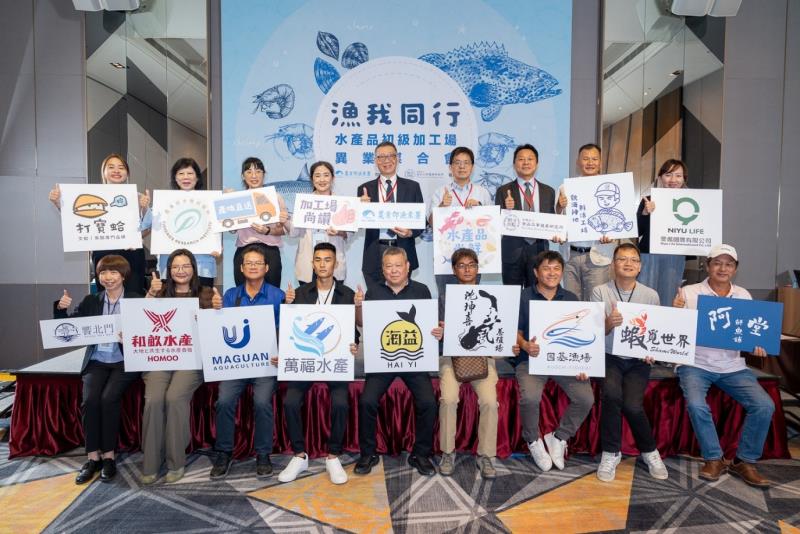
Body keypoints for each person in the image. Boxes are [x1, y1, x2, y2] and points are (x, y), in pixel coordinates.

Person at [673, 244, 774, 487]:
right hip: (695, 363)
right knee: (696, 405)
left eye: (729, 264)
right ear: (707, 265)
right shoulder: (689, 292)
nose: (722, 268)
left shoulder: (743, 295)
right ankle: (713, 458)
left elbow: (748, 333)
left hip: (732, 366)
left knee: (764, 405)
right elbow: (675, 331)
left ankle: (744, 460)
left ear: (735, 269)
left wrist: (756, 345)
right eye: (717, 262)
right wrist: (675, 313)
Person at [354, 247, 443, 476]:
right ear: (382, 269)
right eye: (388, 266)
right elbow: (362, 324)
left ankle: (420, 454)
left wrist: (437, 331)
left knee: (428, 402)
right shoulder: (374, 291)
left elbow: (430, 325)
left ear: (407, 266)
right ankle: (368, 453)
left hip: (414, 360)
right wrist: (359, 306)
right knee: (367, 401)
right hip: (384, 360)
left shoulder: (421, 290)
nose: (393, 270)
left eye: (398, 265)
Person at [209, 244, 295, 479]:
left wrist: (289, 310)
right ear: (241, 268)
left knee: (262, 401)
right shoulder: (230, 295)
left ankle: (263, 453)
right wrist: (215, 311)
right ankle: (224, 452)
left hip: (266, 363)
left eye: (258, 263)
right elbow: (219, 331)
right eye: (249, 263)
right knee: (224, 400)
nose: (253, 266)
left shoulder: (278, 296)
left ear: (266, 268)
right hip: (236, 363)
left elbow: (287, 331)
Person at [277, 242, 360, 484]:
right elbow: (291, 331)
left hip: (334, 361)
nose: (323, 264)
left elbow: (352, 332)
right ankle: (299, 455)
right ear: (312, 264)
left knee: (341, 403)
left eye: (327, 260)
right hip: (307, 361)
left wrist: (353, 345)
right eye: (318, 260)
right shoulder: (300, 293)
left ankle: (333, 455)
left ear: (336, 263)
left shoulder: (347, 295)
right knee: (291, 401)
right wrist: (287, 306)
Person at [54, 255, 141, 484]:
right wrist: (61, 309)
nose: (108, 277)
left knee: (108, 399)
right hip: (96, 360)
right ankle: (93, 458)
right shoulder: (91, 300)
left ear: (123, 275)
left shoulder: (136, 299)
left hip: (124, 361)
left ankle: (109, 457)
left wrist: (131, 336)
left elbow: (148, 331)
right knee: (90, 401)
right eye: (103, 272)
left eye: (113, 272)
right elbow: (70, 328)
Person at [140, 249, 220, 484]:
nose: (181, 271)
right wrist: (150, 295)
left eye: (186, 266)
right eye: (175, 267)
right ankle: (150, 463)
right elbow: (140, 319)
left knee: (175, 397)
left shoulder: (206, 294)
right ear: (169, 270)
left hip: (191, 359)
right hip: (159, 358)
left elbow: (215, 331)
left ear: (194, 268)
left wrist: (216, 310)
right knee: (154, 399)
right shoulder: (158, 291)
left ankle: (176, 462)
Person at [591, 243, 668, 482]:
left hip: (637, 360)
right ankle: (610, 453)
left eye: (633, 260)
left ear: (640, 266)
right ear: (613, 264)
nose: (628, 263)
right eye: (622, 259)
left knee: (633, 405)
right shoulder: (600, 291)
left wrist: (652, 352)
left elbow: (655, 332)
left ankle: (650, 451)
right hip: (608, 356)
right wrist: (608, 323)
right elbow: (593, 333)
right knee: (612, 396)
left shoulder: (651, 295)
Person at [515, 251, 594, 471]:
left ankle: (559, 437)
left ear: (562, 272)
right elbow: (514, 332)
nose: (552, 273)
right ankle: (533, 441)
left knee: (586, 398)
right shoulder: (523, 297)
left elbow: (581, 336)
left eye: (557, 268)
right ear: (536, 272)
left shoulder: (571, 299)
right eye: (546, 268)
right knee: (530, 398)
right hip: (531, 360)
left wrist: (584, 365)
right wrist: (525, 345)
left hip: (563, 361)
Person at [48, 153, 151, 294]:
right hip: (103, 253)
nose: (116, 171)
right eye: (111, 167)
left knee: (134, 295)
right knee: (106, 296)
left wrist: (144, 211)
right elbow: (75, 219)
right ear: (104, 172)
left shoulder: (137, 197)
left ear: (127, 173)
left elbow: (147, 228)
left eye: (121, 167)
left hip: (131, 253)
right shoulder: (91, 194)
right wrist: (58, 202)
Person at [437, 248, 500, 479]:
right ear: (454, 270)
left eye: (471, 265)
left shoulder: (491, 297)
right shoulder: (445, 298)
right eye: (461, 266)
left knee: (490, 402)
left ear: (477, 269)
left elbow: (498, 330)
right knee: (448, 399)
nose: (467, 269)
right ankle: (447, 452)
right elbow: (437, 332)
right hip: (451, 357)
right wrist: (440, 332)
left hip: (483, 357)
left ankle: (486, 456)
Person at [357, 141, 424, 287]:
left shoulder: (412, 187)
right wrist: (360, 209)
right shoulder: (365, 189)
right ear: (376, 161)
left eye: (390, 156)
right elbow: (358, 224)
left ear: (397, 158)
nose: (386, 160)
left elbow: (421, 222)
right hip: (375, 252)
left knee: (401, 296)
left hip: (403, 250)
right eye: (381, 157)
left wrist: (410, 232)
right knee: (376, 297)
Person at [428, 147, 492, 296]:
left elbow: (491, 224)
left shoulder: (482, 193)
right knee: (445, 298)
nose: (462, 167)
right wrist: (442, 206)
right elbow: (431, 223)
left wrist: (480, 208)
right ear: (450, 167)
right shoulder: (440, 192)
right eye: (457, 163)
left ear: (472, 167)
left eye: (466, 163)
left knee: (471, 300)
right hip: (446, 258)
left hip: (474, 258)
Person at [557, 144, 615, 300]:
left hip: (598, 255)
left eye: (594, 159)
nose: (590, 163)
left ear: (600, 162)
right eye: (585, 159)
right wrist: (559, 207)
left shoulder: (611, 186)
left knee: (596, 303)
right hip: (570, 256)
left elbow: (618, 220)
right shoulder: (565, 187)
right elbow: (558, 219)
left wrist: (612, 235)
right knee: (572, 302)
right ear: (578, 162)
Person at [495, 144, 557, 287]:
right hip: (512, 253)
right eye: (521, 159)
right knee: (512, 295)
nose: (526, 163)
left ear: (537, 163)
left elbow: (552, 220)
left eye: (530, 159)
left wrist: (557, 233)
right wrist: (506, 211)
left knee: (537, 294)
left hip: (539, 252)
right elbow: (497, 224)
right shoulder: (503, 191)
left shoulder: (548, 191)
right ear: (514, 164)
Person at [156, 158, 219, 287]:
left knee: (203, 299)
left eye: (190, 173)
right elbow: (150, 225)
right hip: (171, 266)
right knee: (172, 300)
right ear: (175, 178)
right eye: (181, 173)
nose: (186, 177)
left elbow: (219, 226)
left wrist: (217, 245)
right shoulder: (164, 201)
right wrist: (144, 207)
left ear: (197, 177)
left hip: (202, 265)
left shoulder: (210, 201)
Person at [232, 157, 292, 288]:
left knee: (272, 292)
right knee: (242, 293)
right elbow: (232, 230)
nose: (254, 176)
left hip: (270, 251)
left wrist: (268, 231)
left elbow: (283, 230)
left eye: (258, 171)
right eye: (249, 172)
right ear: (243, 176)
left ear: (264, 174)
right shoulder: (237, 199)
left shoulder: (275, 197)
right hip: (244, 250)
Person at [637, 159, 688, 307]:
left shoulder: (690, 202)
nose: (673, 180)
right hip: (649, 255)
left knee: (669, 297)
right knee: (645, 297)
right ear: (660, 177)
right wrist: (645, 213)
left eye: (678, 176)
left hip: (675, 255)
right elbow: (637, 231)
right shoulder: (649, 200)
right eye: (668, 175)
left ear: (684, 179)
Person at [290, 161, 350, 284]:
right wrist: (286, 220)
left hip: (333, 264)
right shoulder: (303, 203)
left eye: (326, 175)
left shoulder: (342, 203)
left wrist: (339, 232)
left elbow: (349, 233)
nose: (322, 179)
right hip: (308, 263)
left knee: (333, 296)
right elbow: (294, 232)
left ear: (333, 178)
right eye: (317, 175)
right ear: (312, 179)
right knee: (307, 295)